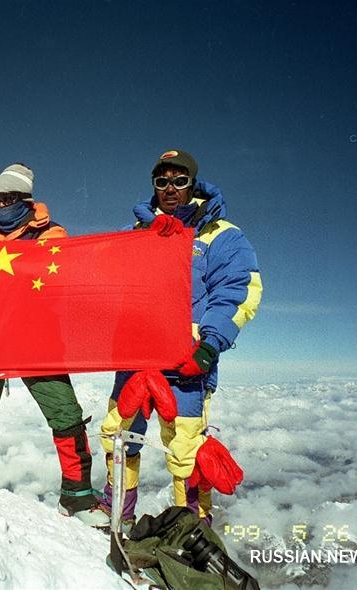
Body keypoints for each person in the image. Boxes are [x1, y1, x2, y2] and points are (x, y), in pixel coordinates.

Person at [0, 163, 110, 528]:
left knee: (66, 414)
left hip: (37, 344)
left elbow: (74, 275)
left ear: (27, 201)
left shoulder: (51, 236)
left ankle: (77, 498)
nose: (1, 206)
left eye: (10, 198)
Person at [99, 149, 262, 527]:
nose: (170, 188)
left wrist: (208, 347)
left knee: (185, 449)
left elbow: (239, 292)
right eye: (162, 181)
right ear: (154, 185)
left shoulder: (222, 236)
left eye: (179, 180)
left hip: (186, 366)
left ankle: (191, 527)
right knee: (118, 437)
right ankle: (116, 511)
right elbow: (102, 285)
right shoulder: (134, 235)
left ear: (192, 183)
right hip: (135, 361)